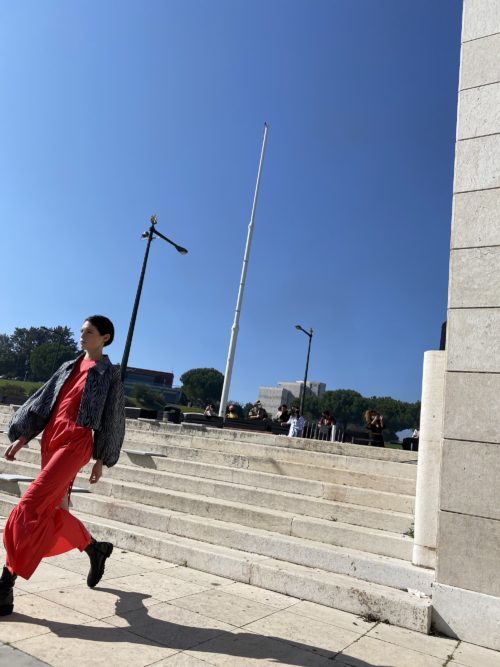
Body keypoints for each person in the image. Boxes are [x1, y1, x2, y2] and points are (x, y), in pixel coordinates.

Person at [0, 315, 125, 616]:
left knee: (30, 505)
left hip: (76, 444)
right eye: (81, 331)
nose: (82, 335)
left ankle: (5, 584)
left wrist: (101, 459)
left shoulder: (109, 373)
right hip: (51, 440)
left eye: (89, 332)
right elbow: (44, 403)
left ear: (105, 338)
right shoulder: (68, 366)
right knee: (52, 513)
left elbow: (112, 417)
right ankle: (95, 548)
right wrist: (23, 437)